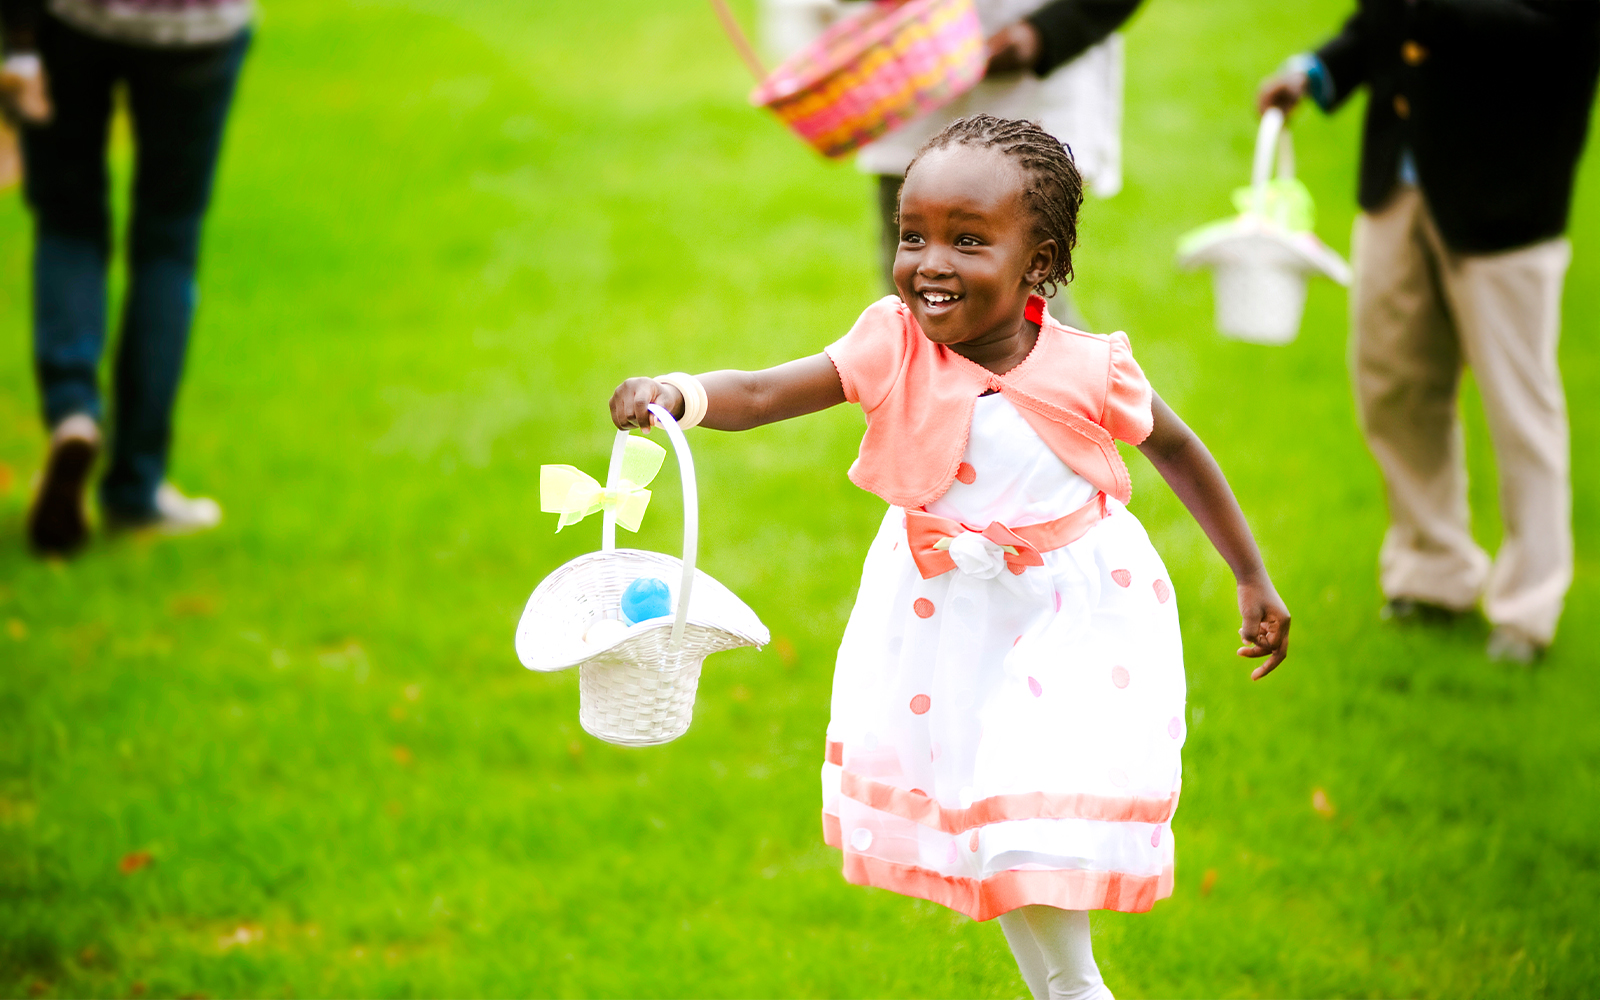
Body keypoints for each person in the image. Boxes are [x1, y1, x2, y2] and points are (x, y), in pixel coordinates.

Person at [610, 115, 1290, 999]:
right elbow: (769, 390)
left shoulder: (1092, 368)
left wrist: (1249, 573)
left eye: (968, 241)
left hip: (1071, 616)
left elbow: (1180, 450)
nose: (930, 262)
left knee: (1026, 808)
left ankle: (1076, 987)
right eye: (913, 235)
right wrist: (680, 393)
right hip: (942, 618)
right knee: (993, 817)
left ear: (1038, 262)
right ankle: (1068, 989)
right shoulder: (892, 342)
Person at [1257, 2, 1600, 663]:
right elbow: (1381, 19)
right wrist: (1319, 70)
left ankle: (1528, 609)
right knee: (1392, 384)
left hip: (1508, 191)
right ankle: (1432, 573)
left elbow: (1559, 27)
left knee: (1519, 410)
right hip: (1398, 181)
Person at [0, 0, 254, 555]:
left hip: (75, 20)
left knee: (69, 223)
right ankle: (135, 486)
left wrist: (16, 44)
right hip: (201, 31)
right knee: (168, 244)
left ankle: (72, 411)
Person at [860, 0, 1143, 307]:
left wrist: (1042, 34)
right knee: (912, 314)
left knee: (1017, 312)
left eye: (967, 243)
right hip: (912, 80)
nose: (933, 267)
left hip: (1031, 92)